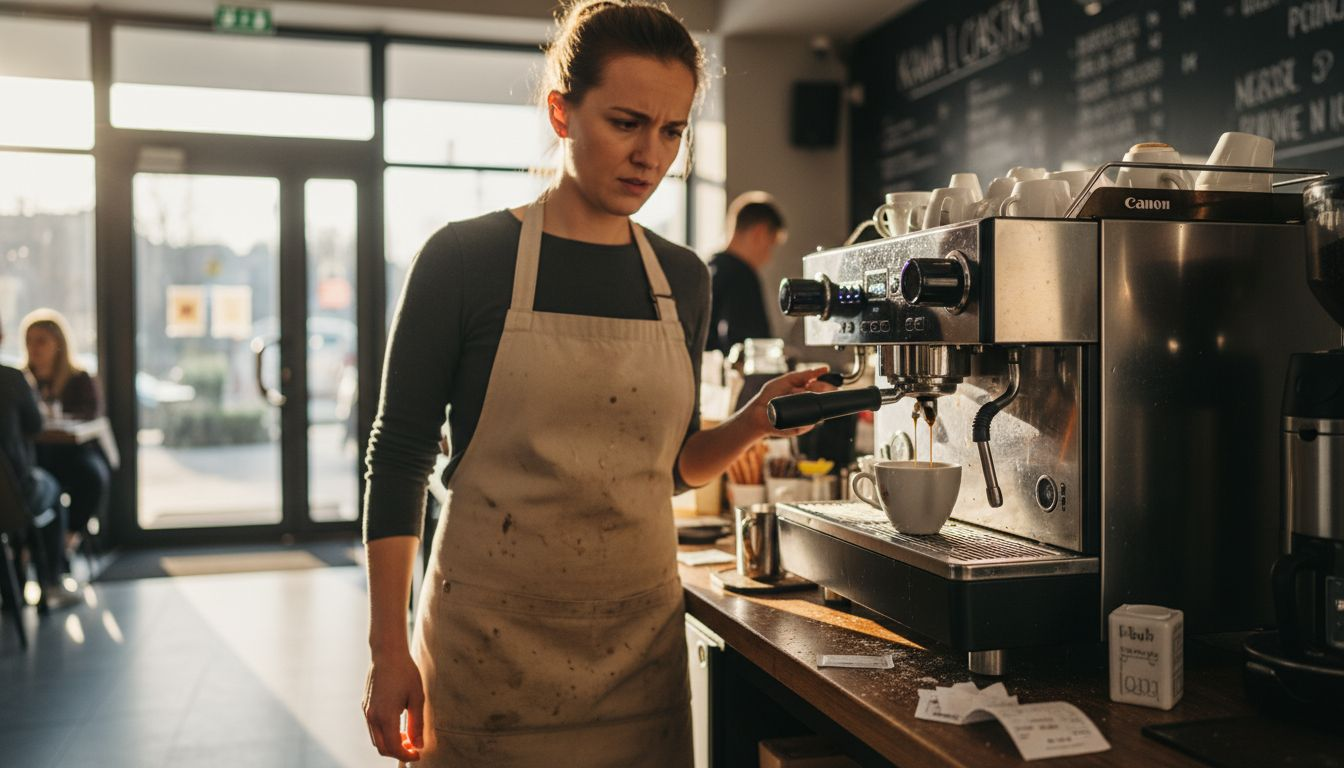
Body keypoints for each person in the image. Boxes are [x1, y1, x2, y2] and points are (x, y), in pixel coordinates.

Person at [360, 3, 831, 764]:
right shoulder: (461, 260)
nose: (651, 154)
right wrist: (387, 650)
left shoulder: (680, 279)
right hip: (488, 652)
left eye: (672, 131)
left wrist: (750, 422)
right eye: (626, 122)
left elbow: (665, 468)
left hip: (636, 653)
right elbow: (400, 454)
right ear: (561, 112)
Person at [20, 309, 111, 551]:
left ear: (58, 343)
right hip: (36, 454)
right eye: (29, 340)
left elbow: (90, 414)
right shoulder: (20, 381)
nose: (33, 347)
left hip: (74, 452)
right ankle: (36, 549)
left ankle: (67, 538)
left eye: (41, 341)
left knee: (92, 476)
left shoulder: (80, 378)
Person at [0, 315, 74, 606]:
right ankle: (51, 583)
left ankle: (14, 584)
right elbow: (35, 427)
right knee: (51, 490)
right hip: (11, 496)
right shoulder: (11, 379)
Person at [705, 191, 788, 355]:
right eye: (771, 245)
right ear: (759, 233)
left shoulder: (708, 268)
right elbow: (750, 347)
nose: (769, 258)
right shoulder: (741, 274)